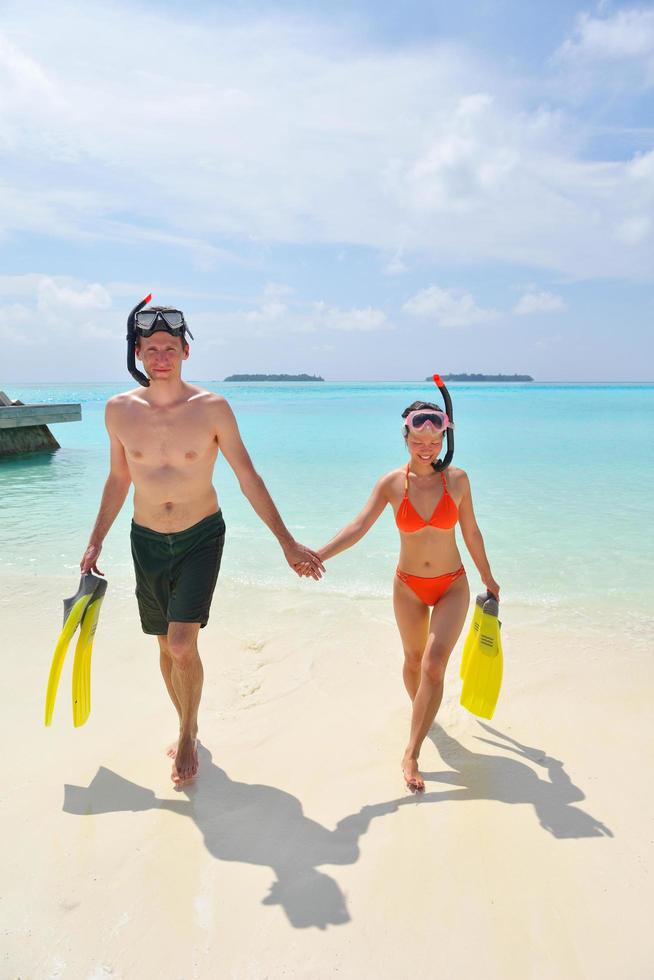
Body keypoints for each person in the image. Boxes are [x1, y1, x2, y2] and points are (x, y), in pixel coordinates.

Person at [80, 301, 324, 786]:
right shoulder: (118, 410)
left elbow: (247, 476)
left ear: (186, 351)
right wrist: (95, 542)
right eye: (152, 349)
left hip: (200, 536)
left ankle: (189, 732)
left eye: (171, 348)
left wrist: (287, 541)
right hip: (145, 539)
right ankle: (184, 718)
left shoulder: (212, 408)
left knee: (181, 643)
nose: (162, 356)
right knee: (163, 648)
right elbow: (117, 479)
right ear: (139, 353)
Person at [313, 393, 499, 792]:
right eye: (418, 442)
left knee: (433, 665)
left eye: (434, 442)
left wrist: (489, 576)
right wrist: (317, 555)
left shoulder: (459, 480)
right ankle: (425, 717)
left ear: (445, 438)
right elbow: (358, 526)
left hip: (452, 584)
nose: (426, 448)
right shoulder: (392, 484)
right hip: (408, 587)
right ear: (405, 438)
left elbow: (471, 532)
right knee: (414, 662)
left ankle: (411, 751)